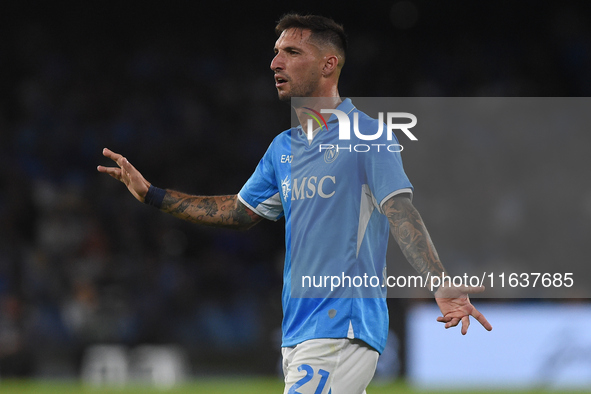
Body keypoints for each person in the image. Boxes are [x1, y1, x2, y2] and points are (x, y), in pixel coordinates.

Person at [98, 13, 492, 394]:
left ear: (328, 64)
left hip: (341, 326)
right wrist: (152, 194)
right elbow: (239, 211)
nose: (275, 62)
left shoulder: (368, 137)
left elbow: (400, 210)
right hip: (299, 331)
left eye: (291, 52)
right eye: (276, 52)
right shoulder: (283, 148)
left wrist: (440, 281)